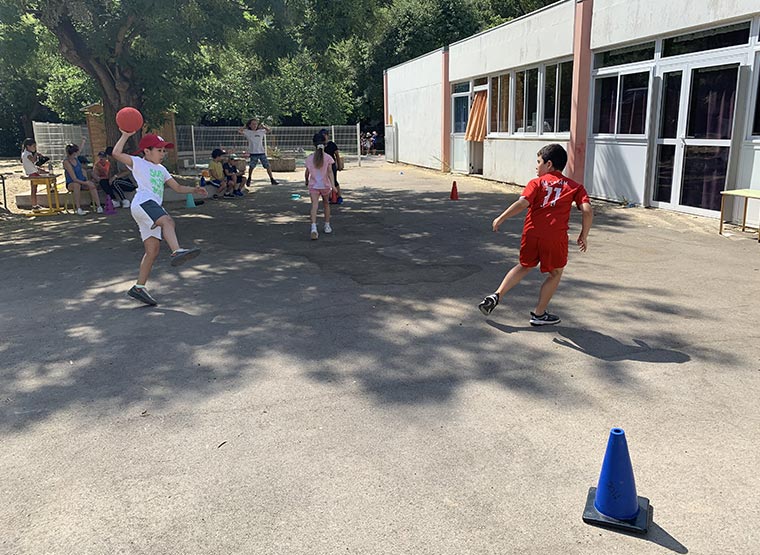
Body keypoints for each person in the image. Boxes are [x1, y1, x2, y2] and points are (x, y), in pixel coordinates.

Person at [478, 144, 593, 326]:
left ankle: (497, 294)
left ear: (549, 164)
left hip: (531, 233)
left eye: (538, 162)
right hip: (555, 238)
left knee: (524, 265)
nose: (536, 167)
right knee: (555, 273)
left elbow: (523, 203)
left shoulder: (536, 183)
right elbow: (587, 211)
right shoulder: (575, 187)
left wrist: (501, 217)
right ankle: (539, 314)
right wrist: (583, 235)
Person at [112, 131, 208, 306]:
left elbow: (177, 188)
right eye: (159, 150)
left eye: (164, 151)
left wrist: (194, 190)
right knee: (167, 221)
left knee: (152, 251)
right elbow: (116, 154)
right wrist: (125, 135)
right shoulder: (139, 163)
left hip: (150, 208)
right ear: (147, 151)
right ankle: (176, 251)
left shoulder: (162, 169)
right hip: (144, 203)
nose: (163, 154)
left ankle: (139, 288)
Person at [304, 133, 336, 240]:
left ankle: (313, 228)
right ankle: (327, 225)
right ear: (325, 144)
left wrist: (306, 181)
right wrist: (333, 185)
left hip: (313, 185)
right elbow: (330, 172)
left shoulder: (309, 158)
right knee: (326, 204)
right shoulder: (328, 158)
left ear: (313, 144)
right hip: (325, 185)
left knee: (314, 206)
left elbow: (307, 172)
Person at [63, 143, 103, 215]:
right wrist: (86, 183)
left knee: (92, 185)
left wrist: (83, 142)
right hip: (72, 182)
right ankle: (78, 208)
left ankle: (99, 206)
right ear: (73, 153)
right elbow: (74, 178)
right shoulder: (66, 162)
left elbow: (80, 150)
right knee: (76, 185)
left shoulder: (76, 158)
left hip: (82, 181)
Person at [238, 118, 278, 186]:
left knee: (267, 166)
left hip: (261, 152)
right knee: (252, 166)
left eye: (256, 124)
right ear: (250, 125)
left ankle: (272, 179)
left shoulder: (261, 131)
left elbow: (269, 130)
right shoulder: (248, 132)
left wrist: (264, 126)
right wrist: (245, 126)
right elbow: (239, 131)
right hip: (253, 152)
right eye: (253, 124)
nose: (255, 125)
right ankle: (249, 178)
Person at [20, 138, 51, 211]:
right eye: (33, 146)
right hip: (32, 173)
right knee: (34, 189)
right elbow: (33, 160)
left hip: (34, 171)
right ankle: (34, 205)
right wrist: (36, 154)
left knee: (46, 175)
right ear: (28, 146)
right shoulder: (27, 154)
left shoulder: (28, 154)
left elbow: (33, 164)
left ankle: (35, 204)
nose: (35, 148)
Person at [318, 129, 343, 204]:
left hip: (332, 165)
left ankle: (339, 196)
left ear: (327, 135)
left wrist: (339, 165)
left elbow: (337, 155)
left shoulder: (332, 144)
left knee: (334, 180)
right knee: (325, 181)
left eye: (324, 135)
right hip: (323, 166)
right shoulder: (320, 146)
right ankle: (329, 196)